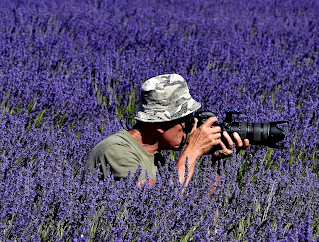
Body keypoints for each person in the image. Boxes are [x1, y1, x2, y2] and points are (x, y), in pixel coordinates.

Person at [83, 73, 249, 187]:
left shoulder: (157, 160)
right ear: (160, 124)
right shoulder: (117, 151)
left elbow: (201, 217)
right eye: (187, 120)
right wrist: (194, 149)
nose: (192, 126)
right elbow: (157, 209)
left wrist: (217, 165)